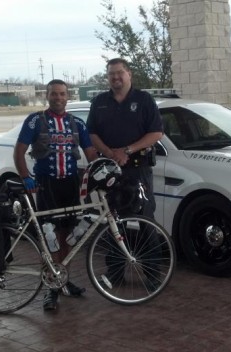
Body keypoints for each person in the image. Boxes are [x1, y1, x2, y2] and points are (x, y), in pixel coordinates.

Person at [14, 79, 98, 311]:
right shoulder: (35, 120)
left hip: (70, 185)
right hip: (46, 185)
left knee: (67, 234)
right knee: (49, 237)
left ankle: (63, 279)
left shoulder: (77, 123)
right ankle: (50, 288)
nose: (58, 98)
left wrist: (103, 171)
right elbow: (19, 151)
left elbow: (90, 153)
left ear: (67, 96)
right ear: (47, 96)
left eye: (62, 94)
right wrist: (26, 177)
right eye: (54, 94)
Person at [86, 58, 163, 289]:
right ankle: (116, 272)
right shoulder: (99, 102)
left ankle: (152, 274)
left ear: (129, 74)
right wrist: (110, 153)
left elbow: (157, 132)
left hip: (138, 169)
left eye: (120, 73)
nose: (115, 78)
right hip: (111, 170)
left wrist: (127, 150)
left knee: (146, 219)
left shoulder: (144, 100)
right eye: (111, 74)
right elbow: (91, 133)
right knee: (112, 221)